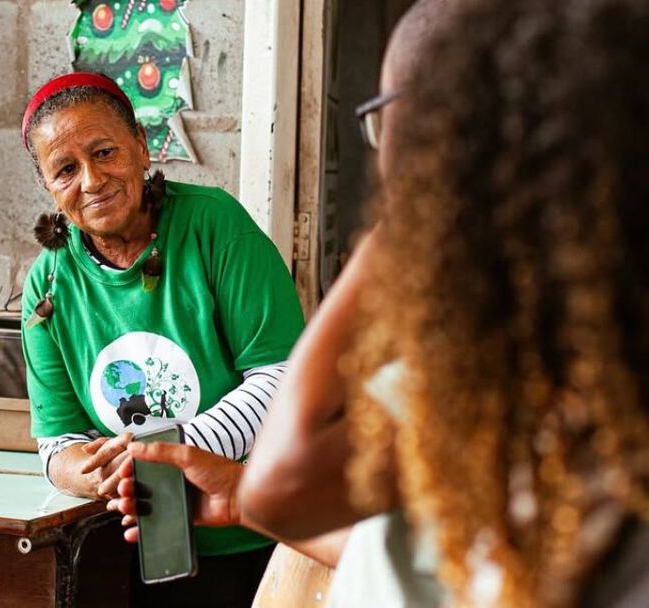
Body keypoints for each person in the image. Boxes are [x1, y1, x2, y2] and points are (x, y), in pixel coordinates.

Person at [122, 0, 649, 605]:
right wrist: (238, 498)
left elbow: (281, 481)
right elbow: (456, 559)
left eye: (385, 117)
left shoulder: (501, 374)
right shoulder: (573, 365)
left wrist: (412, 214)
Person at [19, 72, 305, 604]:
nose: (91, 179)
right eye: (65, 169)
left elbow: (282, 378)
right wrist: (85, 470)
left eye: (105, 152)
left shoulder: (214, 225)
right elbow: (56, 440)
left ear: (142, 147)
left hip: (254, 538)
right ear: (49, 188)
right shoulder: (47, 282)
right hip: (127, 546)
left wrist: (164, 459)